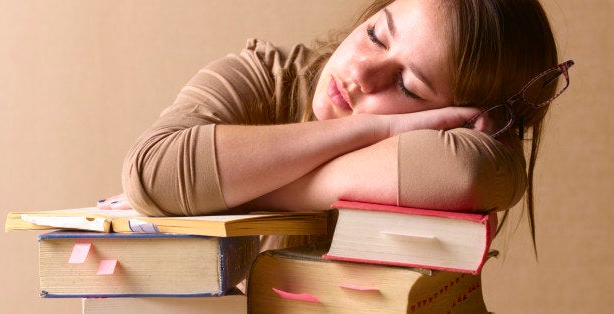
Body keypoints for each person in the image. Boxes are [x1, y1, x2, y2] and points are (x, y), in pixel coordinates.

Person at [102, 0, 572, 251]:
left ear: (463, 120)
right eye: (375, 34)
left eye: (408, 85)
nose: (361, 73)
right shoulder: (266, 76)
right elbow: (152, 174)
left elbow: (468, 172)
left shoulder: (479, 150)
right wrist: (376, 131)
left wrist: (234, 187)